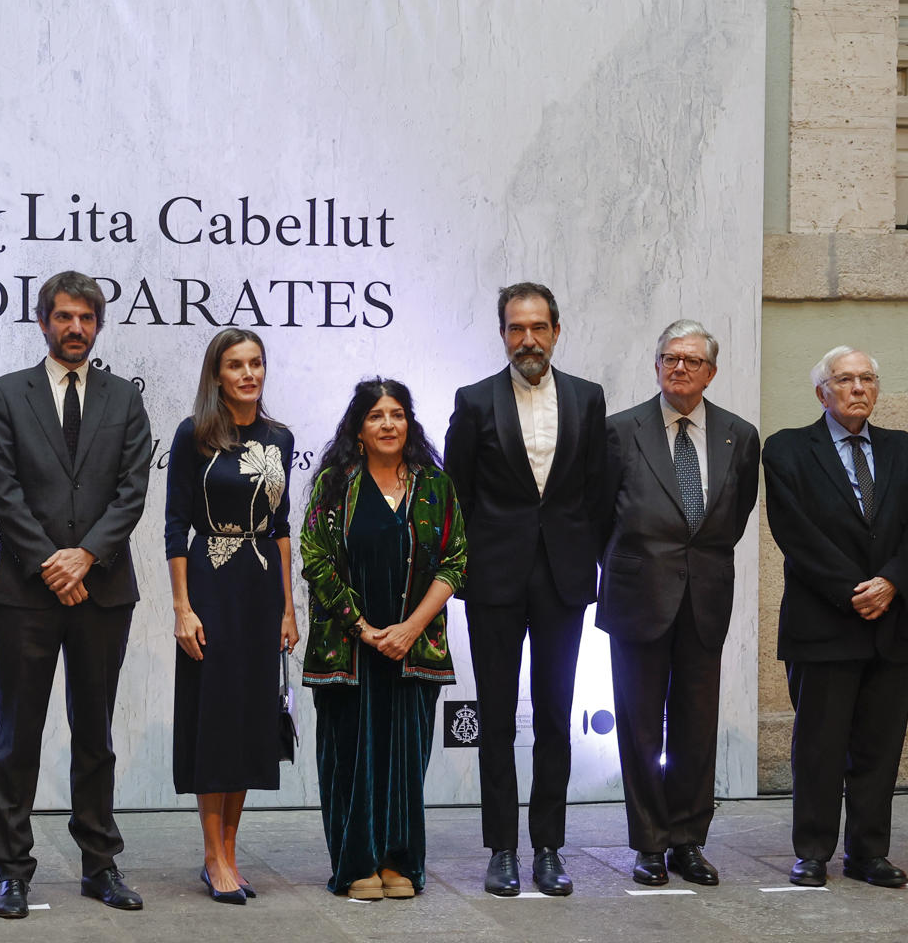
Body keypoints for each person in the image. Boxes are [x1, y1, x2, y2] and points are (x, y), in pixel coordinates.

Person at [0, 271, 153, 919]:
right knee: (16, 736)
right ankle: (12, 870)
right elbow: (3, 489)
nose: (74, 327)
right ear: (43, 321)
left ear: (98, 324)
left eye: (85, 317)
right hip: (26, 593)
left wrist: (86, 556)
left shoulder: (123, 399)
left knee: (96, 734)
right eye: (63, 317)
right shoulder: (6, 395)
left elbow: (131, 489)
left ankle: (100, 863)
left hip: (103, 590)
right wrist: (50, 562)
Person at [444, 282, 607, 898]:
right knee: (495, 720)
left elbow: (596, 490)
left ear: (556, 332)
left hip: (563, 578)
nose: (528, 339)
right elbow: (456, 493)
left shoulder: (587, 399)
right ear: (503, 334)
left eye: (538, 328)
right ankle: (502, 850)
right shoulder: (475, 400)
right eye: (516, 328)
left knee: (555, 719)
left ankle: (548, 848)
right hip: (493, 579)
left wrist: (585, 556)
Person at [763, 347, 908, 888]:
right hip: (824, 622)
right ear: (822, 392)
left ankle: (868, 853)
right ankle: (812, 851)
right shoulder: (788, 449)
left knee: (879, 749)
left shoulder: (905, 450)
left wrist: (892, 583)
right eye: (844, 379)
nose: (858, 388)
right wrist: (850, 590)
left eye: (867, 379)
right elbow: (794, 532)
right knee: (819, 746)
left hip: (890, 621)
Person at [598, 320, 760, 887]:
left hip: (704, 597)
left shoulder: (739, 435)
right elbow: (599, 517)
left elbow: (732, 519)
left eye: (693, 361)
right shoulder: (619, 431)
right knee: (640, 725)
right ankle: (648, 842)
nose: (680, 368)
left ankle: (688, 841)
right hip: (638, 595)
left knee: (696, 725)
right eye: (670, 358)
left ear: (711, 372)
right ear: (657, 365)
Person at [301, 379, 466, 899]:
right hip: (348, 651)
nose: (388, 424)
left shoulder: (436, 486)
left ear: (410, 423)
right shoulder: (335, 485)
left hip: (414, 649)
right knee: (350, 761)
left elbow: (456, 560)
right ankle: (355, 866)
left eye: (397, 414)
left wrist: (410, 628)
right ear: (358, 428)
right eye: (376, 416)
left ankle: (400, 862)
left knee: (404, 763)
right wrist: (365, 629)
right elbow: (316, 560)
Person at [165, 328, 300, 904]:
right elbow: (175, 523)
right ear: (216, 375)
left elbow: (283, 527)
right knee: (213, 718)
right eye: (235, 365)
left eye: (256, 364)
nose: (248, 374)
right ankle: (211, 855)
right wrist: (182, 607)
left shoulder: (281, 437)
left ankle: (233, 851)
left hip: (261, 587)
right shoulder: (194, 435)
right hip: (211, 582)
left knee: (249, 721)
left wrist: (289, 608)